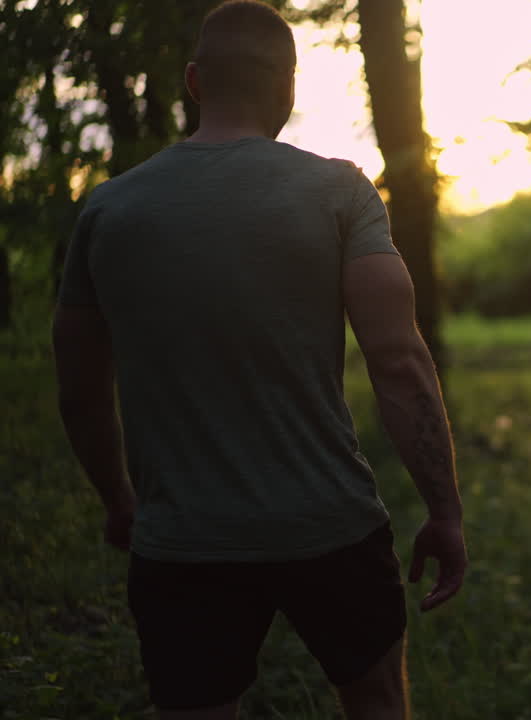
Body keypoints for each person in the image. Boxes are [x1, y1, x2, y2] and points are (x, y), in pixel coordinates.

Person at [51, 2, 465, 718]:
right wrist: (445, 511)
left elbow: (80, 392)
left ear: (193, 82)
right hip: (331, 527)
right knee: (375, 702)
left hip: (182, 543)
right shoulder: (340, 193)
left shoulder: (107, 211)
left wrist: (120, 502)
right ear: (289, 88)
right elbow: (399, 361)